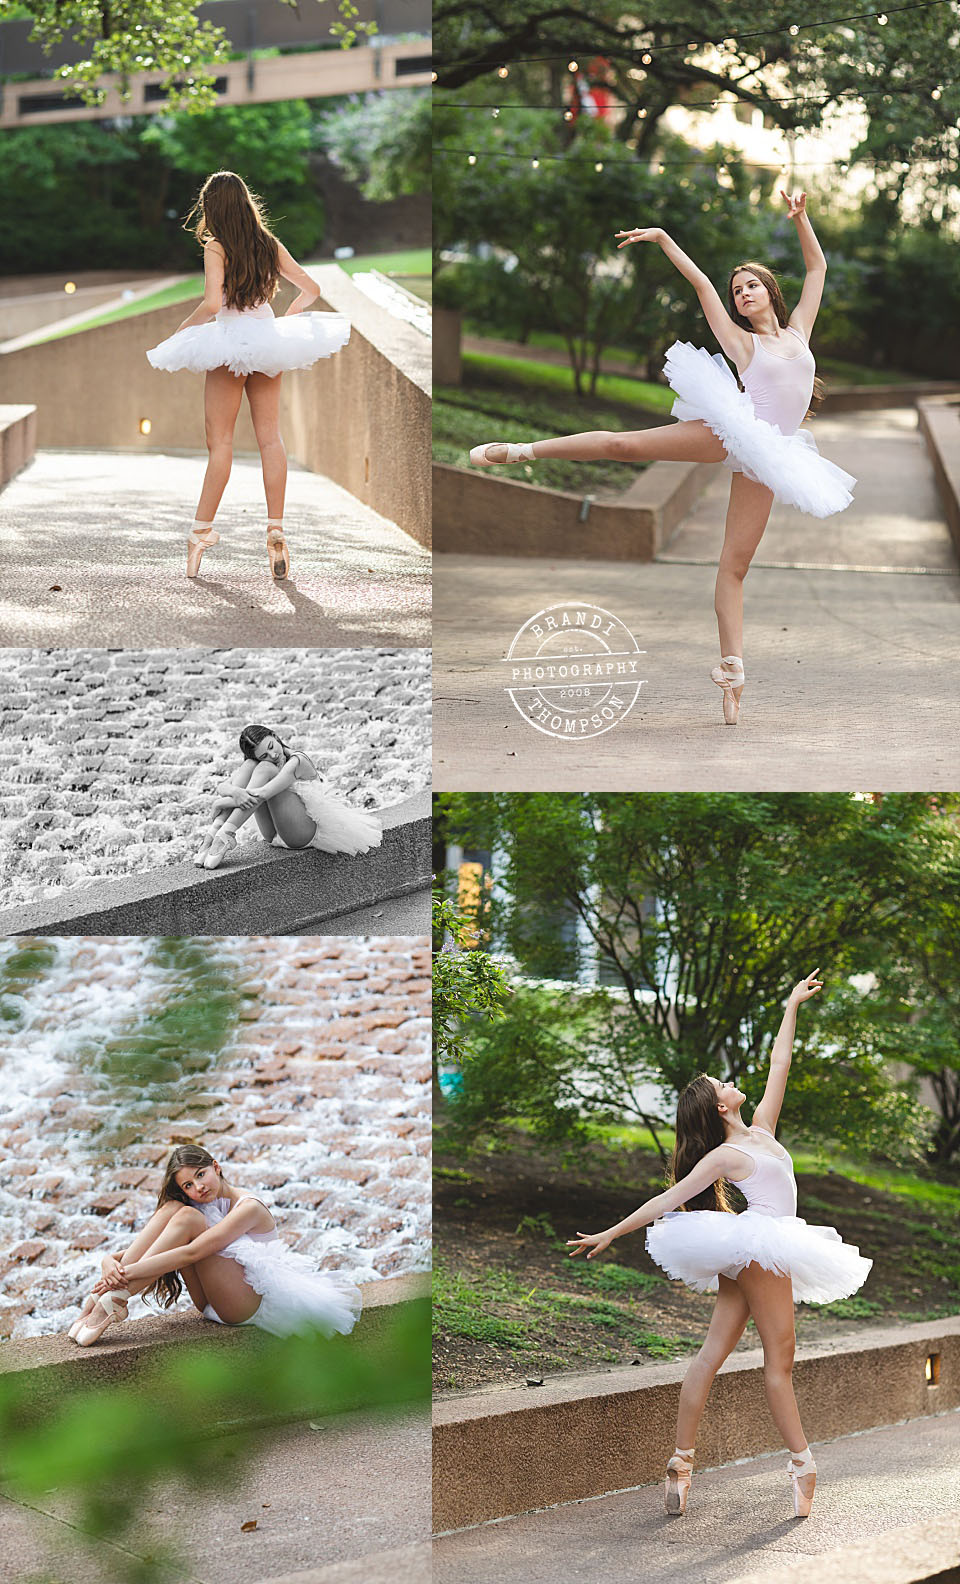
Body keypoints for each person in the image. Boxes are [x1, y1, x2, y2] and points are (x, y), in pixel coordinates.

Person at [470, 191, 855, 724]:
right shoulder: (742, 342)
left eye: (751, 286)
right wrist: (661, 239)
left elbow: (818, 266)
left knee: (734, 566)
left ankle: (733, 671)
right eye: (737, 289)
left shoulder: (799, 331)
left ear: (770, 293)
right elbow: (700, 283)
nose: (743, 293)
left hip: (775, 457)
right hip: (734, 430)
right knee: (624, 445)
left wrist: (802, 218)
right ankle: (520, 450)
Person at [567, 970, 872, 1521]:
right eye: (720, 1083)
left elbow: (781, 1064)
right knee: (779, 1363)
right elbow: (670, 1200)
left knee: (712, 1355)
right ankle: (803, 1465)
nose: (731, 1081)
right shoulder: (727, 1155)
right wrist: (612, 1232)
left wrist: (790, 1006)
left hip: (752, 1247)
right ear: (719, 1108)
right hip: (764, 1248)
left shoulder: (763, 1131)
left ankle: (681, 1464)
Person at [147, 170, 351, 581]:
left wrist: (181, 332)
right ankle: (275, 528)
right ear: (245, 202)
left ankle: (200, 533)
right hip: (267, 341)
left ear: (212, 209)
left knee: (220, 443)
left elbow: (211, 303)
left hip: (229, 343)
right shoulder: (268, 243)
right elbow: (310, 288)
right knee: (270, 438)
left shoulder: (216, 248)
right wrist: (287, 319)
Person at [67, 1143, 362, 1343]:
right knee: (174, 1210)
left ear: (216, 1166)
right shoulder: (196, 1205)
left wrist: (123, 1276)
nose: (199, 1187)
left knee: (190, 1221)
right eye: (188, 1186)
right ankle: (110, 1297)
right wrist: (109, 1262)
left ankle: (113, 1297)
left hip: (246, 1307)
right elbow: (145, 1249)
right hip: (209, 1304)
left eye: (200, 1175)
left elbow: (194, 1251)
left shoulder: (249, 1207)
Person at [194, 723, 383, 871]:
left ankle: (224, 834)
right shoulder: (261, 762)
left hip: (303, 834)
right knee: (250, 765)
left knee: (264, 769)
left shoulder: (297, 760)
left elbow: (265, 793)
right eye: (265, 754)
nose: (273, 754)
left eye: (271, 746)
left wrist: (222, 801)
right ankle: (214, 835)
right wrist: (234, 792)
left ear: (275, 736)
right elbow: (223, 786)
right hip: (274, 835)